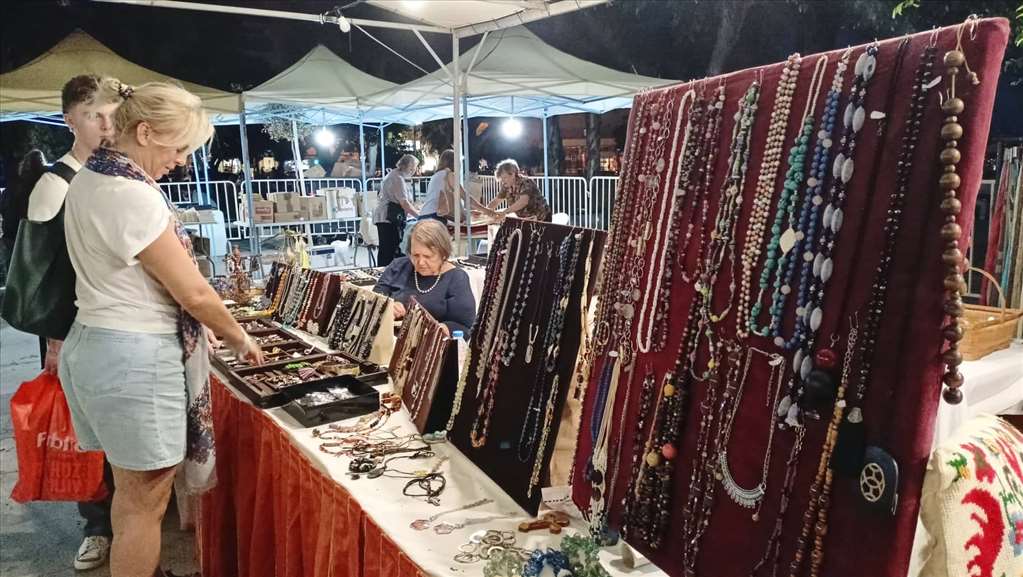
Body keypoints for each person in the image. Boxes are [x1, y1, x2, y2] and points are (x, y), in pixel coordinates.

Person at [60, 80, 263, 577]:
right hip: (134, 359)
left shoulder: (92, 176)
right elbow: (193, 292)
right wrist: (240, 337)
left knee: (132, 494)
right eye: (178, 147)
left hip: (99, 345)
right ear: (145, 133)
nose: (181, 160)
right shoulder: (131, 195)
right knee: (143, 505)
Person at [22, 75, 123, 572]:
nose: (105, 126)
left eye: (110, 116)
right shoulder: (54, 184)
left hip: (121, 326)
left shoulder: (118, 176)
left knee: (120, 428)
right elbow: (43, 278)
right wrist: (56, 340)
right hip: (75, 330)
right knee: (85, 434)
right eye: (92, 116)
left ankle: (130, 515)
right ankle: (97, 526)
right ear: (70, 121)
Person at [373, 219, 476, 336]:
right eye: (415, 255)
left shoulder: (456, 278)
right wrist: (387, 307)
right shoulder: (398, 266)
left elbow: (465, 326)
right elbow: (373, 302)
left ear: (443, 254)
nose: (421, 262)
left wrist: (444, 329)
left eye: (428, 256)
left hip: (433, 343)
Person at [419, 149, 491, 224]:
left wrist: (469, 212)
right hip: (434, 217)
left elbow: (446, 206)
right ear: (454, 162)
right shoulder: (449, 174)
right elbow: (466, 197)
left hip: (424, 216)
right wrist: (487, 211)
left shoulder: (436, 175)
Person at [373, 154, 419, 267]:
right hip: (388, 217)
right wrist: (419, 216)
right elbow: (404, 203)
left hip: (387, 216)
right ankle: (385, 272)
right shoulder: (397, 178)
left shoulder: (395, 175)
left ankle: (384, 271)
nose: (414, 171)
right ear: (409, 167)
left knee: (387, 250)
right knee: (389, 250)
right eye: (413, 167)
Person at [487, 158, 551, 221]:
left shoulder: (526, 182)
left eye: (505, 177)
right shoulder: (506, 186)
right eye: (501, 178)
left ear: (513, 174)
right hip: (526, 219)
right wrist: (485, 211)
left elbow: (523, 202)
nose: (502, 181)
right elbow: (496, 201)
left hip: (542, 217)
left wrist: (504, 212)